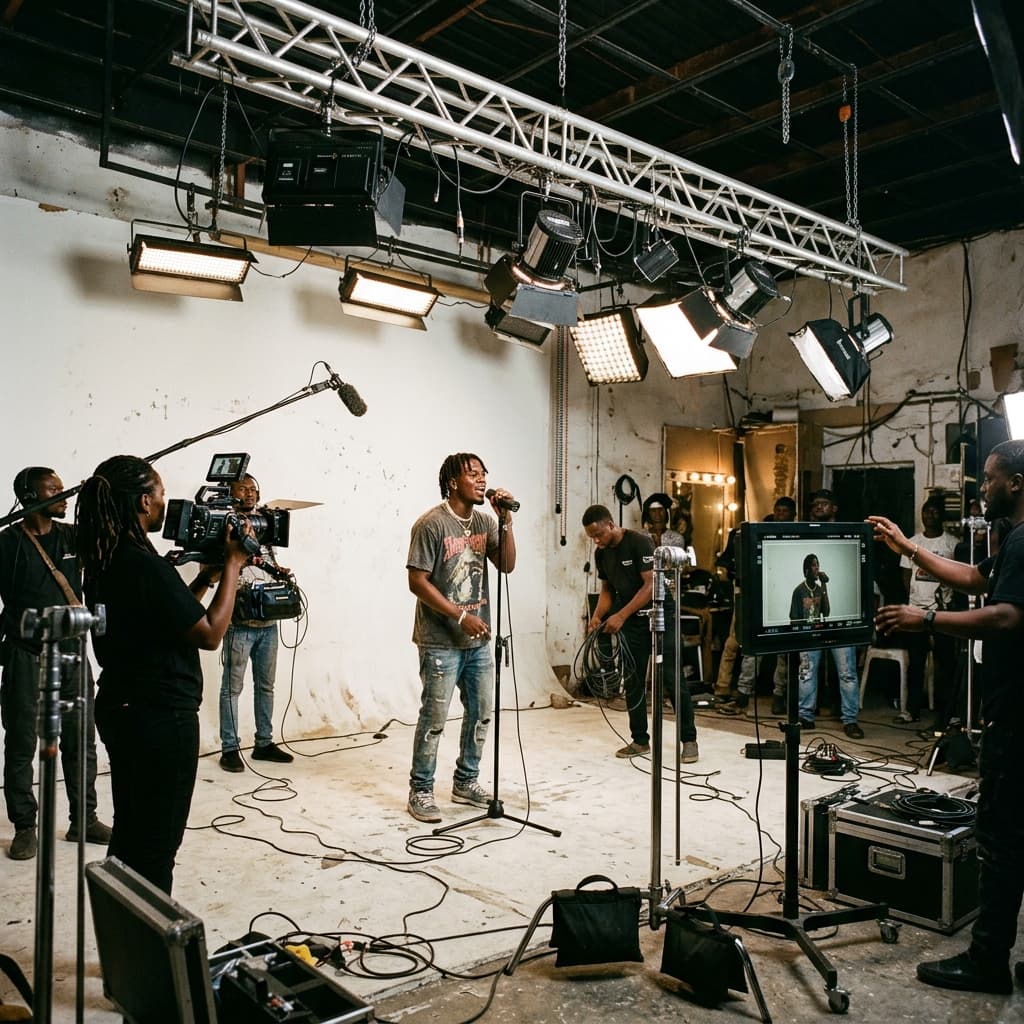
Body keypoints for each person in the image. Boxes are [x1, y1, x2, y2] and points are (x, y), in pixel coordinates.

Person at [871, 439, 1024, 996]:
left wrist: (926, 617)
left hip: (1016, 717)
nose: (981, 488)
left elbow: (1006, 616)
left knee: (1002, 839)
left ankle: (987, 962)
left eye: (989, 478)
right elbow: (975, 577)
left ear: (1016, 484)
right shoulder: (1015, 541)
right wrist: (909, 548)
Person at [76, 455, 248, 893]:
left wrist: (206, 579)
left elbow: (168, 619)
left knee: (130, 835)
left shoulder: (105, 560)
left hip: (122, 707)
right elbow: (208, 634)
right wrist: (233, 565)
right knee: (155, 846)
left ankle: (123, 946)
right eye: (161, 497)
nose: (164, 506)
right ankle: (147, 957)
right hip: (160, 718)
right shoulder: (144, 565)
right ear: (143, 500)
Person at [0, 467, 110, 861]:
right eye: (54, 490)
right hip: (26, 655)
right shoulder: (7, 543)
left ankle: (84, 818)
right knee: (21, 743)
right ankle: (25, 827)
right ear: (30, 497)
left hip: (71, 652)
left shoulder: (71, 537)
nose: (63, 496)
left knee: (81, 739)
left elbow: (105, 539)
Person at [405, 454, 516, 824]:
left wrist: (507, 521)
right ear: (453, 482)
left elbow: (508, 564)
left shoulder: (485, 521)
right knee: (434, 717)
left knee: (482, 713)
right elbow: (416, 581)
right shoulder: (431, 524)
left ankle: (466, 782)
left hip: (478, 640)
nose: (482, 480)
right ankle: (420, 788)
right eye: (473, 474)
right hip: (440, 640)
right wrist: (460, 615)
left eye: (484, 473)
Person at [217, 473, 293, 772]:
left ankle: (264, 743)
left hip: (268, 623)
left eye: (253, 489)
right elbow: (217, 568)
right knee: (231, 688)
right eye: (243, 489)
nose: (249, 494)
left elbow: (266, 560)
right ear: (230, 492)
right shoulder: (224, 526)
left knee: (266, 686)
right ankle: (230, 748)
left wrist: (277, 570)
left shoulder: (263, 525)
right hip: (240, 622)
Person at [715, 497, 795, 715]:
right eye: (777, 510)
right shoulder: (755, 535)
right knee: (751, 647)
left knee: (783, 651)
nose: (780, 515)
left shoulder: (795, 537)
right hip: (757, 597)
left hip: (785, 599)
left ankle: (779, 694)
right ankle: (742, 693)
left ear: (792, 515)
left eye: (785, 511)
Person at [796, 489, 863, 739]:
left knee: (846, 671)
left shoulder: (848, 533)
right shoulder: (804, 534)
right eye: (815, 504)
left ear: (835, 508)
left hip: (842, 614)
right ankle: (805, 716)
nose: (818, 508)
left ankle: (850, 719)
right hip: (811, 612)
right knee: (807, 667)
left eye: (824, 504)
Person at [640, 493, 700, 763]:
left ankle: (689, 738)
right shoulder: (637, 538)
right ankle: (639, 738)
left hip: (669, 603)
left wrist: (656, 541)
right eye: (652, 512)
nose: (657, 517)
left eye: (660, 512)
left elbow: (671, 564)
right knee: (636, 673)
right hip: (643, 603)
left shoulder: (675, 538)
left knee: (673, 675)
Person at [897, 495, 956, 725]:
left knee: (945, 664)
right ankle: (911, 711)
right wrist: (916, 602)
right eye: (926, 511)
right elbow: (905, 575)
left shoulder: (952, 543)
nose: (929, 515)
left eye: (934, 511)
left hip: (943, 613)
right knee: (916, 664)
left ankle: (946, 714)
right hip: (916, 613)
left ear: (941, 515)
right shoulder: (911, 543)